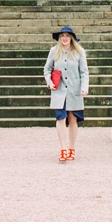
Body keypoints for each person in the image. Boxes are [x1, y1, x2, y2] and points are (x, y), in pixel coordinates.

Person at [44, 26, 89, 162]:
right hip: (59, 89)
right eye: (62, 36)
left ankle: (71, 148)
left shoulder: (79, 52)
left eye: (67, 36)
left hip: (74, 89)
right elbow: (47, 69)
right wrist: (49, 82)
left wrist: (84, 87)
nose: (64, 38)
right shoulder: (54, 51)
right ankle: (63, 148)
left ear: (72, 38)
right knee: (60, 118)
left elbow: (84, 72)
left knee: (73, 118)